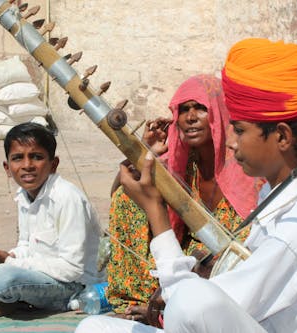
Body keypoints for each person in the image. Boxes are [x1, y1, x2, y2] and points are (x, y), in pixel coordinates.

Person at [76, 38, 297, 332]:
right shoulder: (283, 196)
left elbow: (189, 309)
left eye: (238, 130)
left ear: (282, 137)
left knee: (191, 298)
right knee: (94, 328)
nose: (232, 142)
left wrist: (156, 212)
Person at [105, 74, 262, 322]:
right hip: (190, 254)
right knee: (126, 200)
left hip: (231, 261)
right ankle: (141, 298)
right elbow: (121, 192)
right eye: (183, 110)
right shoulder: (183, 164)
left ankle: (169, 308)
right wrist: (144, 153)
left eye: (200, 108)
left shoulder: (244, 169)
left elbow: (251, 238)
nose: (190, 117)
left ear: (219, 113)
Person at [0, 122, 102, 325]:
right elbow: (27, 244)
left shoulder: (66, 198)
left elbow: (72, 269)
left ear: (53, 164)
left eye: (36, 157)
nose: (27, 165)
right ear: (7, 168)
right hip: (36, 274)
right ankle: (2, 300)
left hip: (71, 287)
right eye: (18, 158)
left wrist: (10, 263)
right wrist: (9, 255)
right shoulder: (24, 195)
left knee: (1, 278)